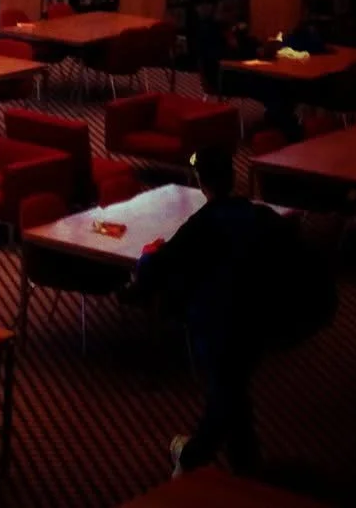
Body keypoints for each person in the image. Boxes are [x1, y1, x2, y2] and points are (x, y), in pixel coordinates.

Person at [131, 156, 288, 479]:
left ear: (201, 182)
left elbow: (160, 268)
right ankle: (247, 467)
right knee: (234, 392)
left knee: (224, 395)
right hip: (261, 318)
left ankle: (190, 458)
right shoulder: (259, 215)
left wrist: (146, 259)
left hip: (219, 323)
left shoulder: (203, 225)